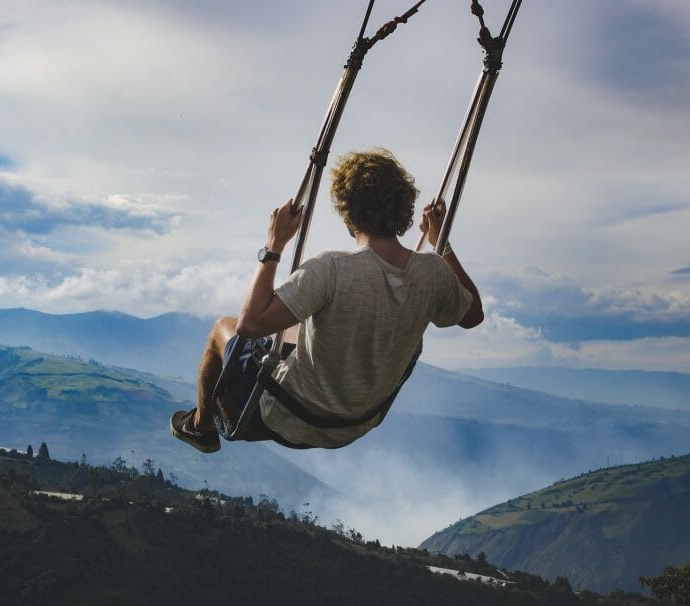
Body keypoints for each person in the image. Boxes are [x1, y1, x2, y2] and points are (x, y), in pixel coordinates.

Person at [170, 148, 483, 452]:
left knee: (221, 328)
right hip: (358, 422)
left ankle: (201, 427)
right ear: (403, 206)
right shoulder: (432, 273)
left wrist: (273, 245)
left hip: (292, 415)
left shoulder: (332, 269)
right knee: (301, 326)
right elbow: (472, 315)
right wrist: (441, 244)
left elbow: (250, 325)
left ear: (347, 212)